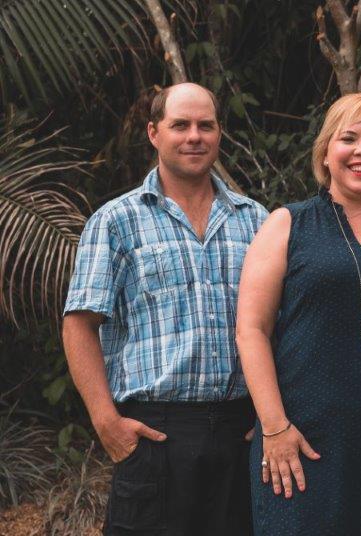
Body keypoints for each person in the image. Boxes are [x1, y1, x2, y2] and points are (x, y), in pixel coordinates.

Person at [62, 82, 267, 534]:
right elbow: (79, 324)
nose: (194, 136)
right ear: (154, 133)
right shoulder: (116, 220)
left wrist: (271, 415)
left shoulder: (257, 220)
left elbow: (284, 324)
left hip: (240, 430)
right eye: (181, 125)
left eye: (205, 125)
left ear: (219, 134)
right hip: (155, 433)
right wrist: (106, 422)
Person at [235, 93, 361, 534]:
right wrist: (273, 426)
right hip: (301, 442)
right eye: (349, 138)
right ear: (326, 152)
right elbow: (251, 330)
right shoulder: (287, 224)